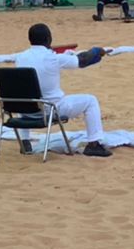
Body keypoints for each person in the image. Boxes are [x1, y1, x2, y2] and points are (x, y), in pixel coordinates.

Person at [14, 23, 111, 156]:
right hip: (52, 109)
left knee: (26, 96)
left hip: (26, 110)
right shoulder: (53, 58)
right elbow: (82, 60)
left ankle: (25, 142)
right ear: (49, 39)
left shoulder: (20, 58)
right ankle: (94, 144)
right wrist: (96, 51)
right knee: (90, 101)